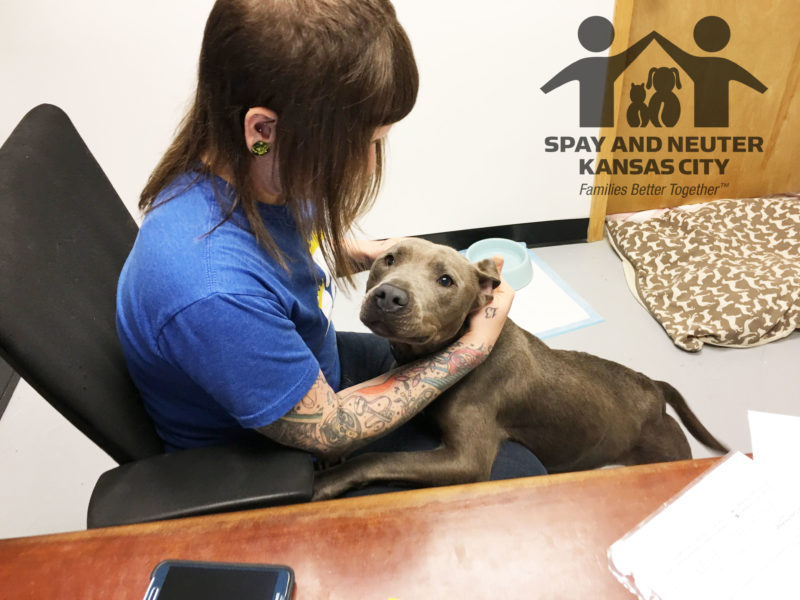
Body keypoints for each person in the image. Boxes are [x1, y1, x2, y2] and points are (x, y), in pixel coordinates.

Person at [116, 0, 545, 488]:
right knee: (520, 474)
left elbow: (287, 245)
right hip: (271, 454)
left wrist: (379, 254)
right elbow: (331, 430)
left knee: (498, 398)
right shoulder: (213, 291)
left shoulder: (245, 173)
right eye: (358, 143)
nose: (367, 165)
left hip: (302, 360)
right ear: (263, 130)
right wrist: (472, 347)